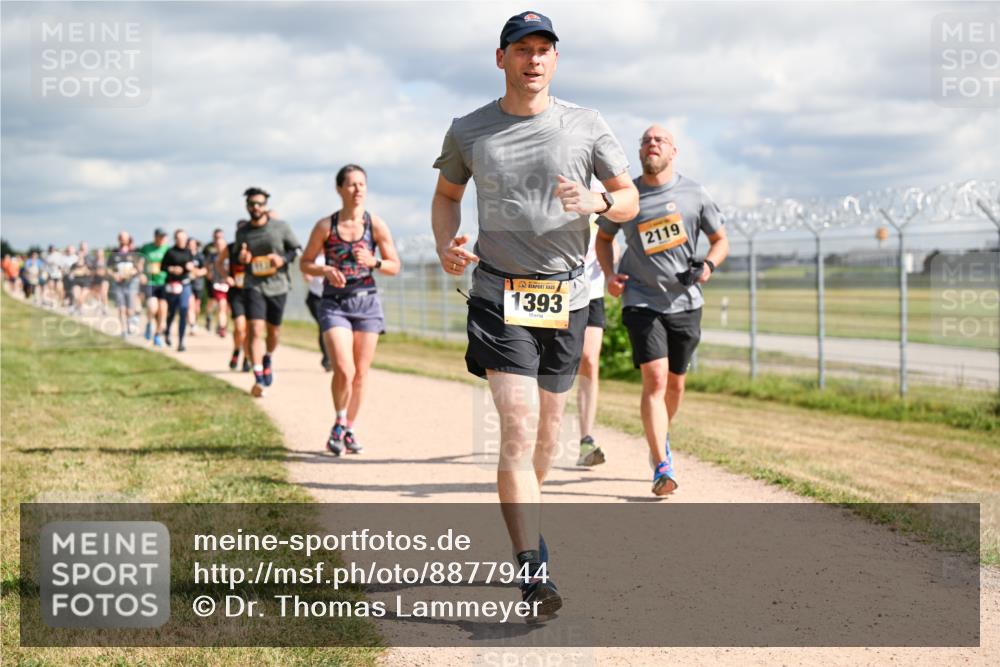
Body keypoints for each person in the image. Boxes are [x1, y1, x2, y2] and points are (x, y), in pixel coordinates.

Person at [430, 10, 638, 616]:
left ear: (555, 60)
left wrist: (598, 199)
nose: (534, 59)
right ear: (502, 59)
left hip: (567, 295)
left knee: (549, 428)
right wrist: (448, 243)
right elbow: (446, 198)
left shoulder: (586, 124)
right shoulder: (469, 130)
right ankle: (532, 571)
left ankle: (529, 520)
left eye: (544, 49)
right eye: (522, 49)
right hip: (499, 293)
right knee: (518, 424)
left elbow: (627, 198)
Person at [595, 126, 729, 496]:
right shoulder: (627, 196)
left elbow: (720, 241)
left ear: (674, 151)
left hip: (685, 302)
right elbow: (603, 238)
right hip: (641, 299)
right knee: (654, 379)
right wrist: (610, 274)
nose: (652, 144)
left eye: (660, 140)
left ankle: (660, 436)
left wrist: (707, 268)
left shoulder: (694, 193)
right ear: (640, 152)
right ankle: (661, 464)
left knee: (675, 384)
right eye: (645, 140)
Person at [301, 164, 401, 455]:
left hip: (367, 302)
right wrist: (324, 270)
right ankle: (339, 421)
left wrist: (375, 262)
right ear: (339, 189)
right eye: (352, 184)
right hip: (335, 303)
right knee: (344, 369)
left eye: (362, 184)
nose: (358, 190)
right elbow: (305, 262)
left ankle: (348, 428)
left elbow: (394, 266)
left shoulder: (376, 225)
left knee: (360, 373)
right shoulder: (325, 226)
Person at [234, 187, 302, 396]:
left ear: (265, 206)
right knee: (254, 329)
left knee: (274, 332)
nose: (256, 207)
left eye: (259, 204)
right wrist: (242, 258)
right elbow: (238, 256)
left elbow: (295, 250)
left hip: (278, 285)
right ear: (247, 206)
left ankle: (268, 357)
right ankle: (258, 376)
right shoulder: (243, 231)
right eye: (252, 204)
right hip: (253, 285)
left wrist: (282, 259)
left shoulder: (280, 227)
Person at [575, 218, 618, 467]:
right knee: (550, 365)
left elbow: (610, 239)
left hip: (592, 292)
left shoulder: (601, 191)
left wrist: (613, 263)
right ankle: (539, 433)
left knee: (589, 360)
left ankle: (586, 440)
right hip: (555, 290)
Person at [215, 223, 252, 371]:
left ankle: (247, 358)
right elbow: (218, 263)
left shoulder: (255, 248)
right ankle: (237, 349)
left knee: (250, 329)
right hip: (236, 292)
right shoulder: (230, 248)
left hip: (252, 292)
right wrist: (226, 276)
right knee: (239, 327)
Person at [161, 229, 196, 351]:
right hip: (172, 285)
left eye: (184, 239)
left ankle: (181, 341)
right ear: (175, 239)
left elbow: (192, 266)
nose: (182, 241)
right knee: (172, 312)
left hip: (185, 284)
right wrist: (172, 269)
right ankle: (167, 332)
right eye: (179, 239)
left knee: (183, 310)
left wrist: (189, 267)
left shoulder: (188, 252)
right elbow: (163, 267)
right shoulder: (170, 252)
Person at [108, 231, 144, 338]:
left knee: (130, 309)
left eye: (125, 238)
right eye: (121, 238)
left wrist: (134, 271)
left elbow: (140, 266)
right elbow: (109, 268)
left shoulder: (134, 252)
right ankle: (124, 330)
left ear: (129, 239)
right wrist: (114, 275)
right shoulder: (114, 252)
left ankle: (130, 324)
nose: (122, 240)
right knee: (121, 308)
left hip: (131, 283)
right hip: (118, 284)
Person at [140, 229, 171, 346]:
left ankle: (157, 335)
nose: (162, 239)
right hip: (150, 281)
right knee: (152, 307)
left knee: (162, 310)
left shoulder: (167, 249)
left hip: (164, 282)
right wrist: (141, 273)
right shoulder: (146, 248)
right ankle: (149, 323)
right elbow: (140, 261)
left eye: (164, 237)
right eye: (160, 237)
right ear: (155, 237)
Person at [303, 250, 331, 371]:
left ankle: (331, 357)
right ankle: (327, 359)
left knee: (329, 327)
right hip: (315, 298)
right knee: (323, 325)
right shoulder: (314, 259)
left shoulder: (334, 256)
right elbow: (306, 274)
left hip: (330, 297)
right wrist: (308, 275)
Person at [204, 228, 229, 336]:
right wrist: (208, 274)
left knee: (224, 307)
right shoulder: (211, 255)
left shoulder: (229, 256)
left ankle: (221, 324)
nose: (220, 247)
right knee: (219, 304)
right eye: (218, 245)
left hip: (227, 284)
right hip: (216, 283)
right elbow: (206, 266)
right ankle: (221, 326)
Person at [186, 237, 207, 335]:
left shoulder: (200, 256)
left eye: (192, 244)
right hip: (188, 284)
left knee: (196, 308)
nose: (191, 246)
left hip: (198, 284)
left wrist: (196, 272)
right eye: (189, 244)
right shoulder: (184, 255)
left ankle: (193, 321)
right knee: (190, 305)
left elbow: (205, 270)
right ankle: (192, 325)